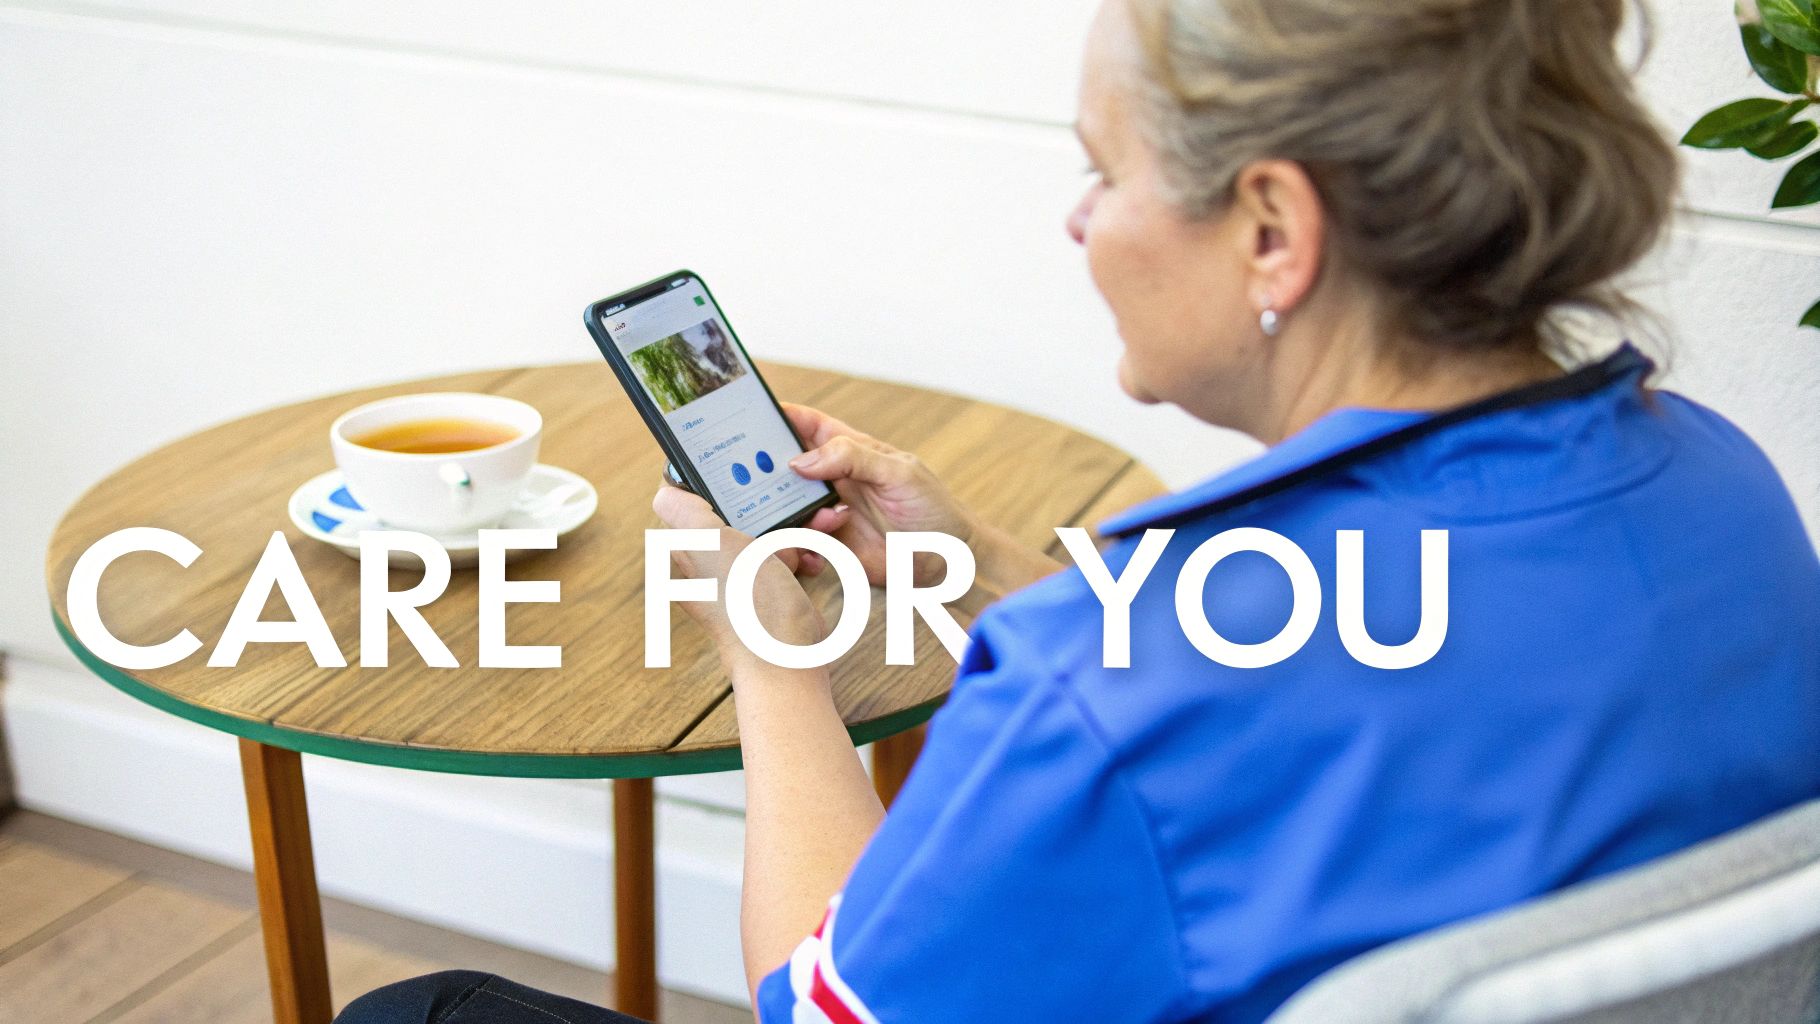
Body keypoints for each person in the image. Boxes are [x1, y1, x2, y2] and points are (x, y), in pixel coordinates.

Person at [338, 0, 1820, 1021]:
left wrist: (771, 656)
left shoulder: (1113, 692)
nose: (1078, 219)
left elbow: (821, 1002)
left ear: (1272, 230)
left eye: (1104, 171)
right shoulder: (1721, 487)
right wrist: (982, 570)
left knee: (423, 1015)